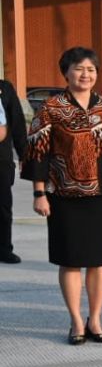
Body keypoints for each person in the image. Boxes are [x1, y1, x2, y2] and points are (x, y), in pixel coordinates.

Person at [22, 47, 102, 345]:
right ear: (66, 72)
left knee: (99, 261)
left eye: (91, 69)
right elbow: (38, 151)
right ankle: (76, 321)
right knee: (71, 260)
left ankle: (96, 318)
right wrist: (39, 193)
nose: (85, 74)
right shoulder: (51, 107)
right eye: (79, 68)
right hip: (63, 195)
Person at [0, 78, 25, 264]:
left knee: (2, 207)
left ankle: (4, 249)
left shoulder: (4, 88)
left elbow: (17, 123)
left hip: (2, 160)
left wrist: (24, 154)